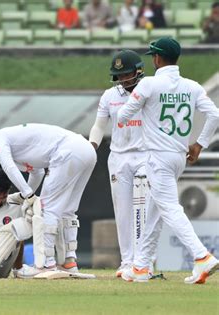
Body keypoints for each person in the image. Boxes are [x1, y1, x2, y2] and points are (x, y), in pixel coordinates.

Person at [118, 37, 219, 284]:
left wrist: (137, 98)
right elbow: (215, 115)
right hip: (179, 157)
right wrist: (199, 143)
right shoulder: (192, 86)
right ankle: (140, 266)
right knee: (155, 211)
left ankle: (202, 256)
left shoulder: (149, 84)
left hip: (157, 158)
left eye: (153, 55)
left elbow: (122, 117)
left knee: (170, 209)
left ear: (157, 58)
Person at [0, 123, 97, 277]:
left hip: (67, 151)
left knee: (45, 209)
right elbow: (37, 173)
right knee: (67, 211)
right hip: (85, 150)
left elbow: (9, 168)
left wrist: (29, 194)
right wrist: (25, 197)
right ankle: (69, 262)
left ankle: (46, 264)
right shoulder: (20, 151)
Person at [89, 50, 152, 278]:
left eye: (127, 74)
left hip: (145, 155)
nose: (124, 79)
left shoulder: (150, 91)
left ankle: (144, 261)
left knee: (143, 209)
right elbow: (99, 125)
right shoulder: (109, 96)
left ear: (138, 71)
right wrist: (92, 145)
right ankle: (127, 262)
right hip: (118, 157)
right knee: (123, 211)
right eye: (120, 75)